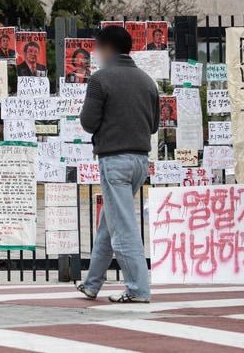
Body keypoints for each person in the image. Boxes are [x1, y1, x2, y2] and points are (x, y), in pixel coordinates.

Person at [75, 24, 158, 304]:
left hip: (114, 160)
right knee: (108, 223)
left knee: (122, 227)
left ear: (107, 48)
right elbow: (155, 124)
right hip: (140, 161)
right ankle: (92, 283)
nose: (96, 54)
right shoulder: (148, 81)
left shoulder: (101, 79)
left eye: (98, 48)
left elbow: (88, 122)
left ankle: (138, 289)